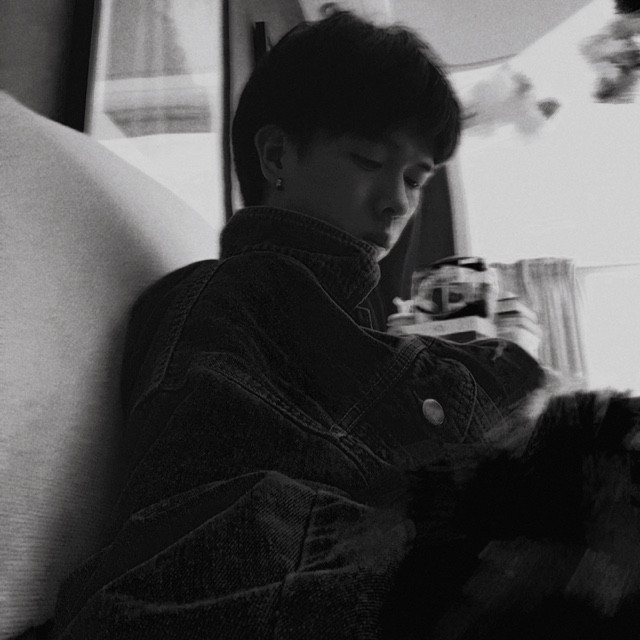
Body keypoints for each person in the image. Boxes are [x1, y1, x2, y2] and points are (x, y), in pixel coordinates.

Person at [51, 10, 640, 640]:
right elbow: (228, 518)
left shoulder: (355, 329)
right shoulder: (224, 296)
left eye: (415, 179)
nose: (398, 202)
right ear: (276, 155)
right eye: (369, 159)